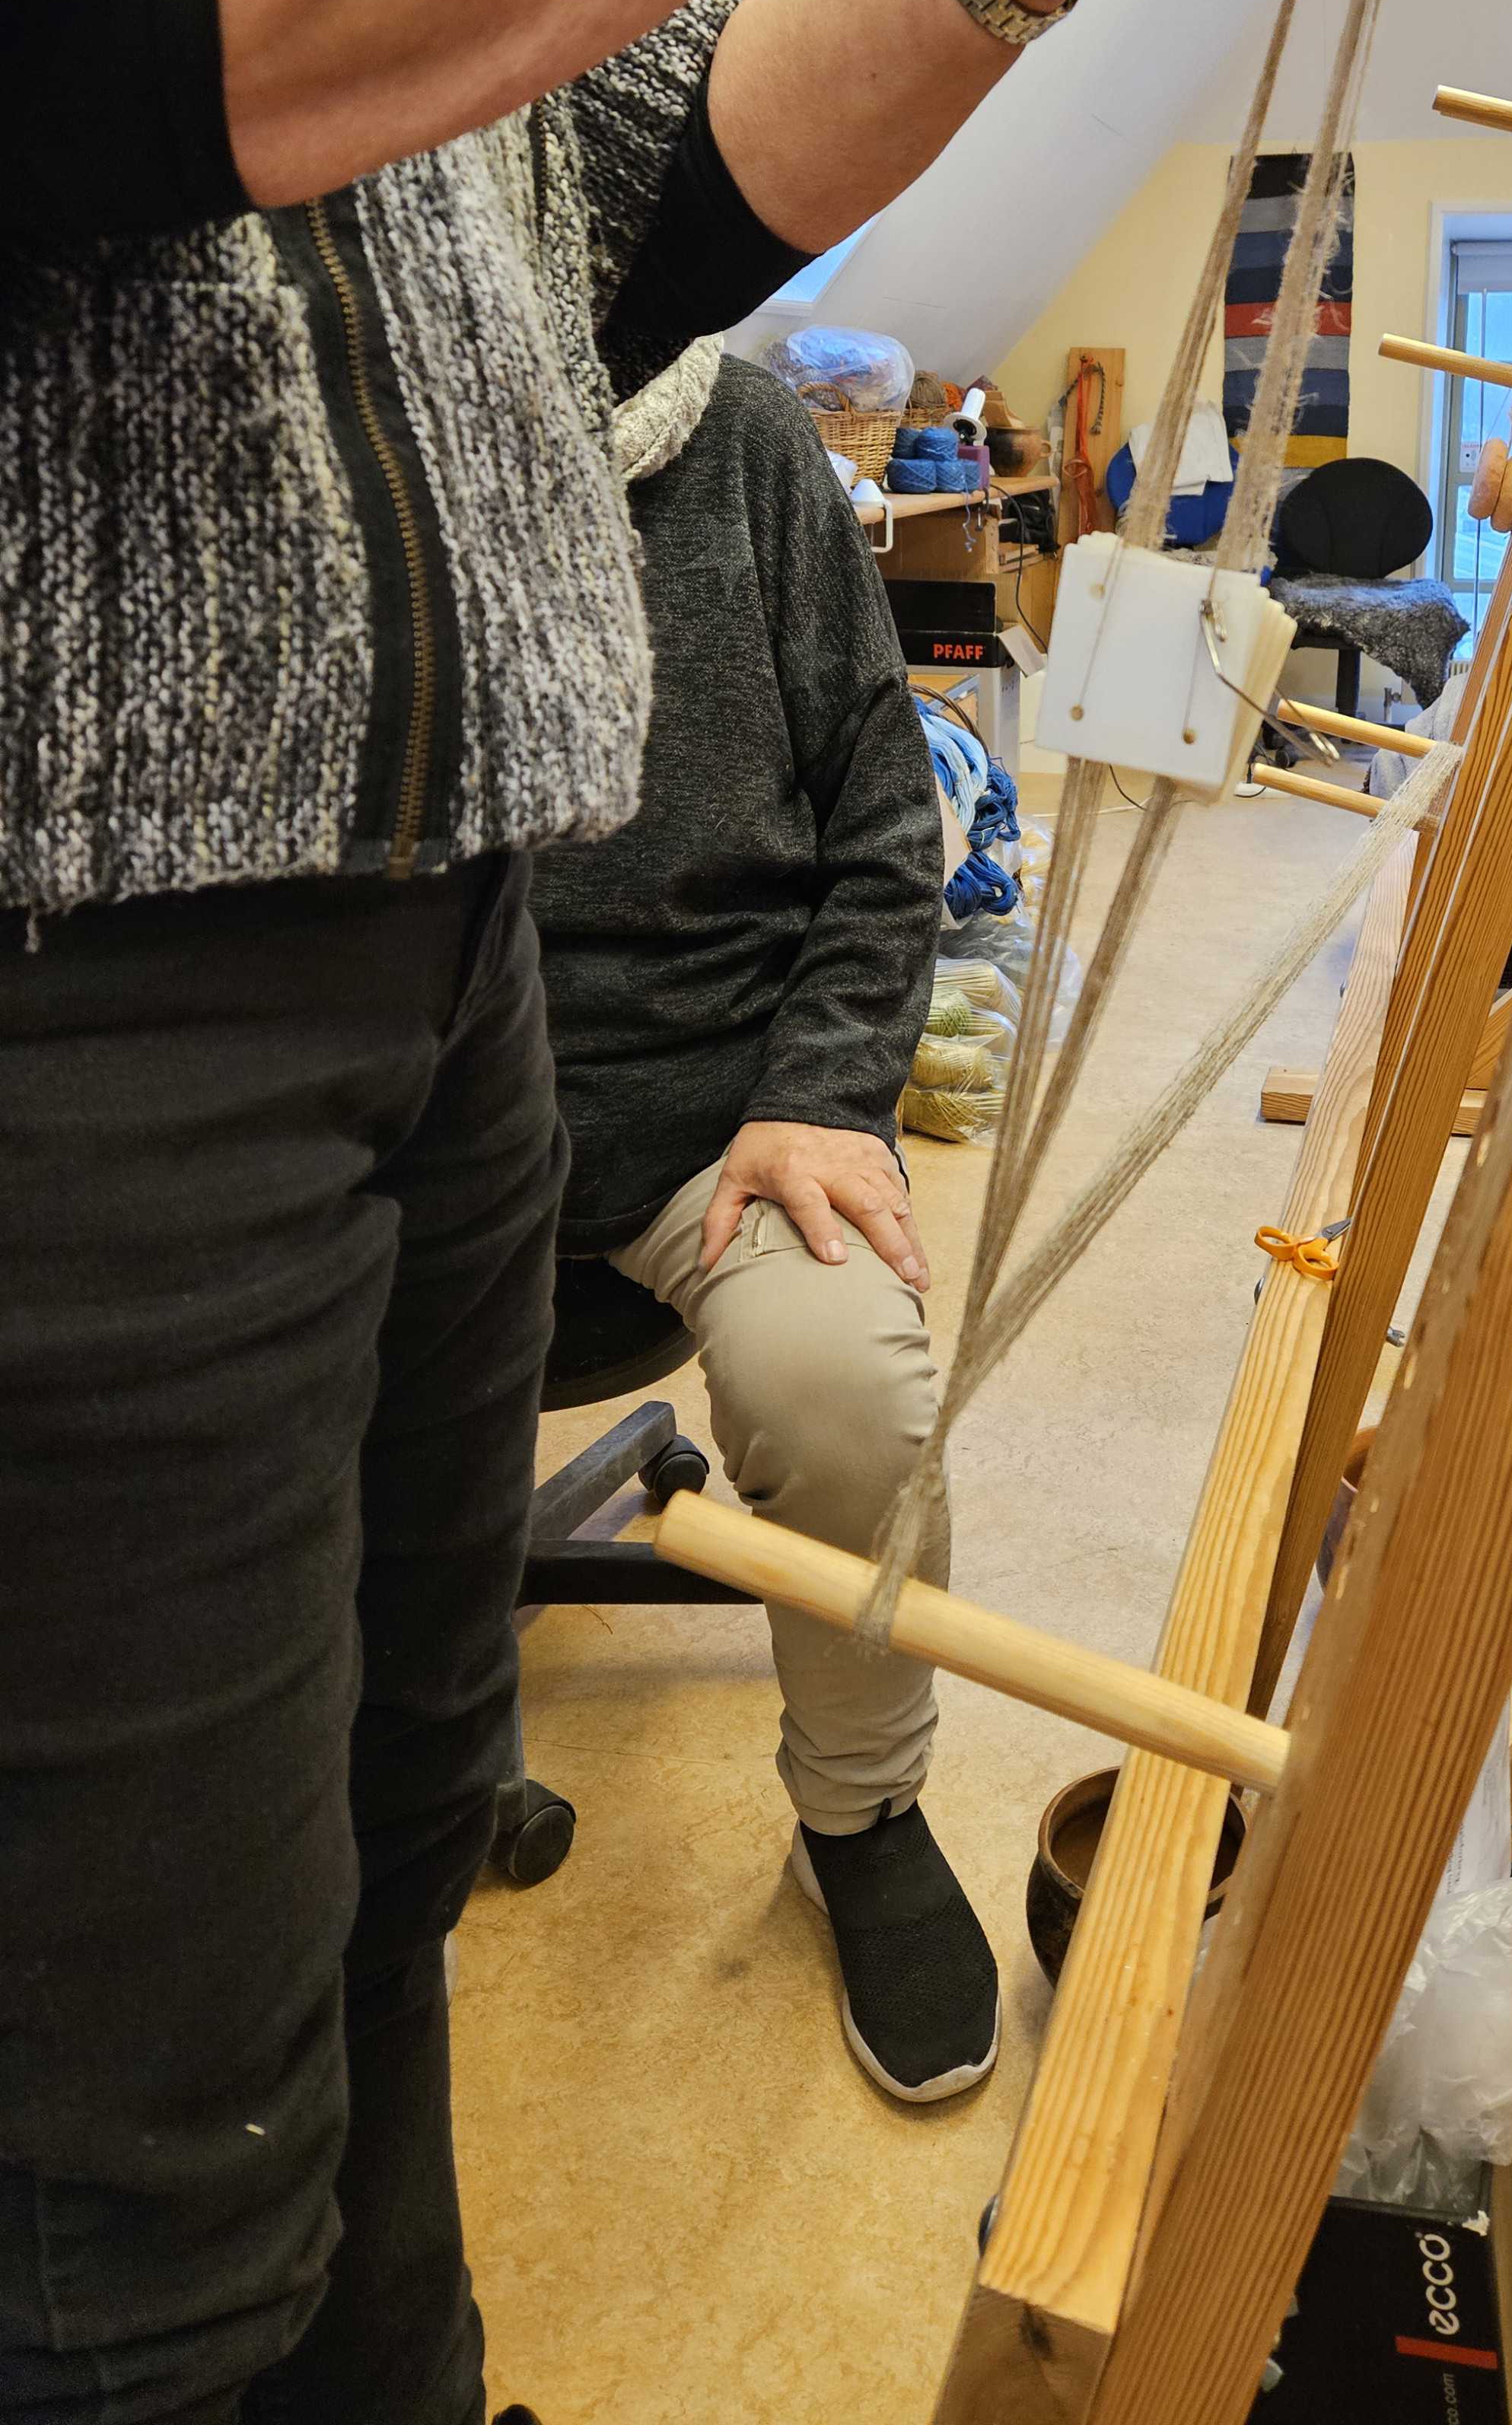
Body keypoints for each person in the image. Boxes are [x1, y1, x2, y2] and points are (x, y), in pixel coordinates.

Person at [0, 0, 1512, 2413]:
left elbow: (617, 194)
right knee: (119, 2188)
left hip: (416, 966)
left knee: (374, 1889)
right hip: (90, 1008)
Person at [530, 342, 983, 2105]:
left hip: (727, 1125)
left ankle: (860, 1813)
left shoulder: (748, 439)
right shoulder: (334, 403)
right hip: (413, 1123)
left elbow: (886, 812)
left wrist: (826, 1086)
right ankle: (355, 1789)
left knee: (846, 1395)